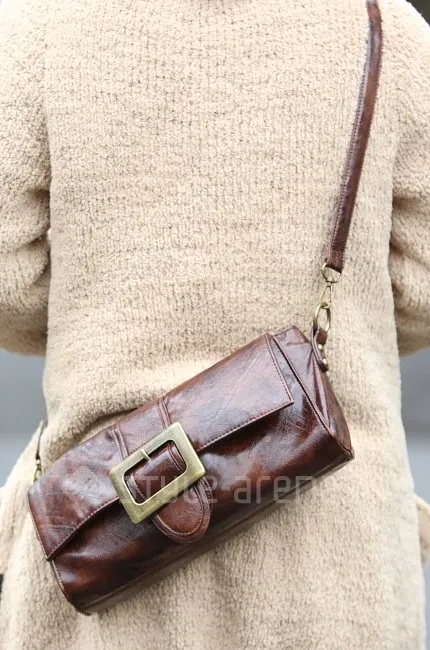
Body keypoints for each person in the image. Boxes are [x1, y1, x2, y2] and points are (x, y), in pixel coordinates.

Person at [0, 0, 429, 647]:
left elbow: (9, 286)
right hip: (332, 555)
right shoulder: (386, 28)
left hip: (111, 529)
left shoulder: (38, 27)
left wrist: (98, 319)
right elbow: (421, 289)